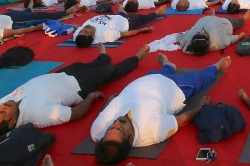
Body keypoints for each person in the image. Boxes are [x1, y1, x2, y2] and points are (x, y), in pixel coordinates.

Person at [90, 54, 230, 163]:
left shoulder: (98, 131)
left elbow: (104, 113)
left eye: (111, 128)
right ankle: (216, 66)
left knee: (156, 73)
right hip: (173, 86)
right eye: (119, 129)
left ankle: (168, 66)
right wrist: (201, 107)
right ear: (130, 138)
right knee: (200, 78)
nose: (116, 123)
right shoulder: (153, 131)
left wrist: (109, 101)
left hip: (144, 80)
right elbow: (181, 120)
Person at [0, 44, 147, 137]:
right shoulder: (39, 116)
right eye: (4, 112)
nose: (2, 106)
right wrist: (89, 97)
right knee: (110, 71)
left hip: (61, 75)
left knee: (87, 65)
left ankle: (103, 56)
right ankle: (136, 58)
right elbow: (75, 114)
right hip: (79, 86)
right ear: (12, 123)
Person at [0, 8, 79, 46]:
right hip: (15, 22)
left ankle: (28, 8)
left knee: (27, 12)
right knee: (42, 15)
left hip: (4, 16)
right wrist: (38, 27)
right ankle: (66, 12)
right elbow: (18, 31)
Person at [178, 12, 250, 55]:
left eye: (198, 33)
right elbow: (230, 39)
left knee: (208, 20)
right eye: (203, 34)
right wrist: (240, 36)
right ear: (208, 40)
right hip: (225, 22)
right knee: (238, 22)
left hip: (206, 19)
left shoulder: (186, 40)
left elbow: (179, 37)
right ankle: (244, 18)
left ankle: (212, 16)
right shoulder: (217, 43)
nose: (202, 31)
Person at [73, 13, 158, 48]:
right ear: (92, 36)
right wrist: (141, 30)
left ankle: (121, 11)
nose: (83, 29)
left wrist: (77, 28)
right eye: (86, 31)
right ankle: (156, 13)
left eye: (81, 31)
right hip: (125, 21)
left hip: (110, 17)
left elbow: (79, 31)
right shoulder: (105, 35)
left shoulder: (77, 35)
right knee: (144, 18)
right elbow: (125, 34)